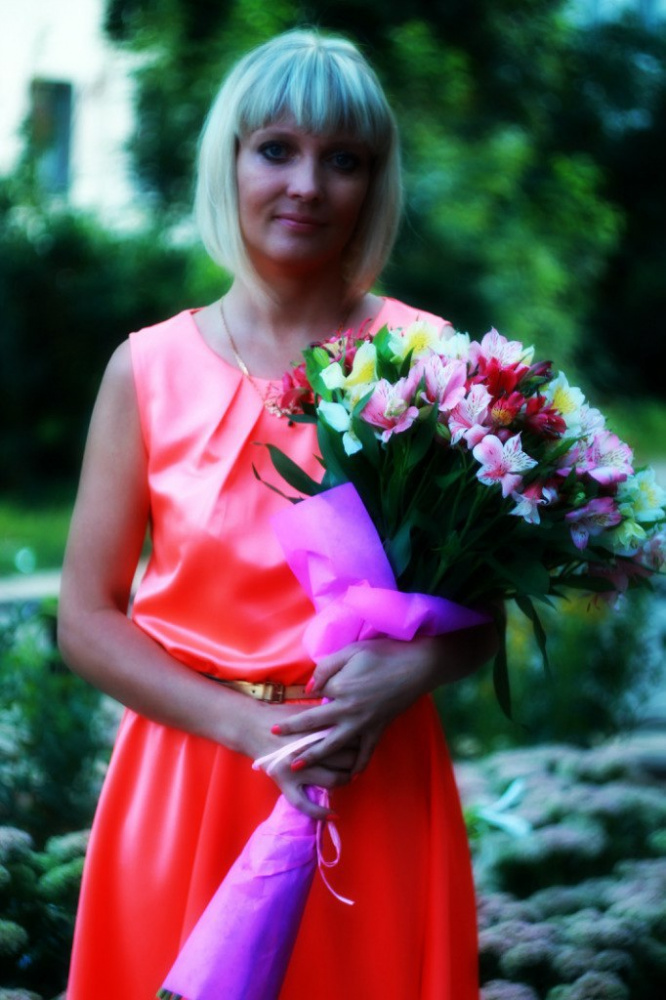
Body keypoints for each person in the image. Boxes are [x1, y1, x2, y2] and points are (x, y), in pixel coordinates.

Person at [59, 28, 497, 1000]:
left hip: (369, 773)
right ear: (229, 162)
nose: (307, 184)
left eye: (344, 160)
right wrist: (243, 727)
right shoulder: (146, 369)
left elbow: (483, 612)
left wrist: (411, 670)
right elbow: (86, 618)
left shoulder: (429, 361)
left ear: (374, 183)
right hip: (189, 774)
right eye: (276, 150)